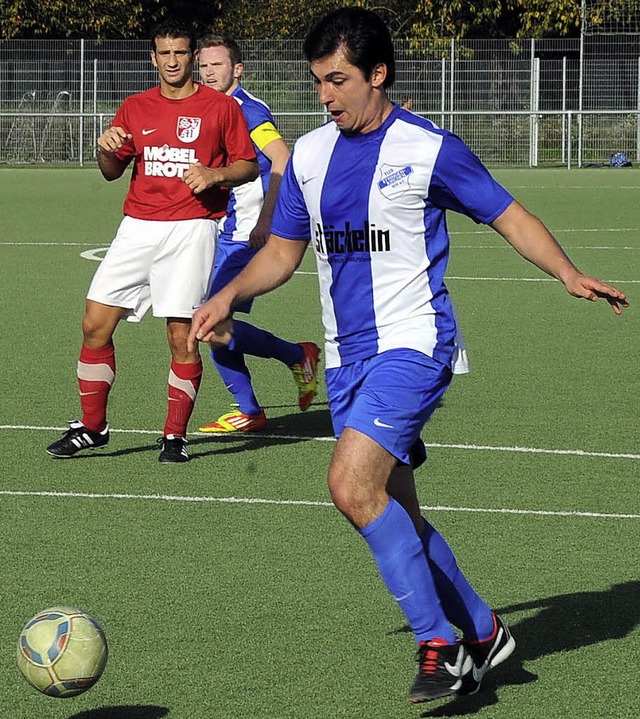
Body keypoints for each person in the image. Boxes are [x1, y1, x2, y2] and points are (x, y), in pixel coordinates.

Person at [188, 6, 628, 704]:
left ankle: (439, 643)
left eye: (338, 80)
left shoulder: (429, 148)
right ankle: (484, 631)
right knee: (395, 509)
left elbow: (506, 212)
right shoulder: (308, 155)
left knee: (349, 485)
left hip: (414, 343)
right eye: (318, 83)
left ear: (378, 74)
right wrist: (230, 293)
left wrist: (568, 272)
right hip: (345, 358)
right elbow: (279, 252)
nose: (325, 96)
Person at [45, 18, 259, 464]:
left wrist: (216, 173)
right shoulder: (135, 106)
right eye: (165, 53)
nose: (172, 61)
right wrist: (104, 148)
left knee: (182, 336)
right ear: (153, 57)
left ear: (192, 56)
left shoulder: (220, 108)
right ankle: (92, 427)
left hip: (192, 228)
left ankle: (174, 437)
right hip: (137, 227)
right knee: (94, 323)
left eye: (181, 53)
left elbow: (248, 164)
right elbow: (110, 170)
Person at [195, 35, 320, 433]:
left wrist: (267, 220)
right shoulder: (211, 107)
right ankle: (253, 404)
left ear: (238, 69)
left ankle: (291, 360)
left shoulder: (247, 111)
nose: (209, 71)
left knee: (210, 324)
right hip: (224, 230)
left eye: (217, 64)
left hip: (247, 235)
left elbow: (282, 158)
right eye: (205, 66)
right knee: (212, 323)